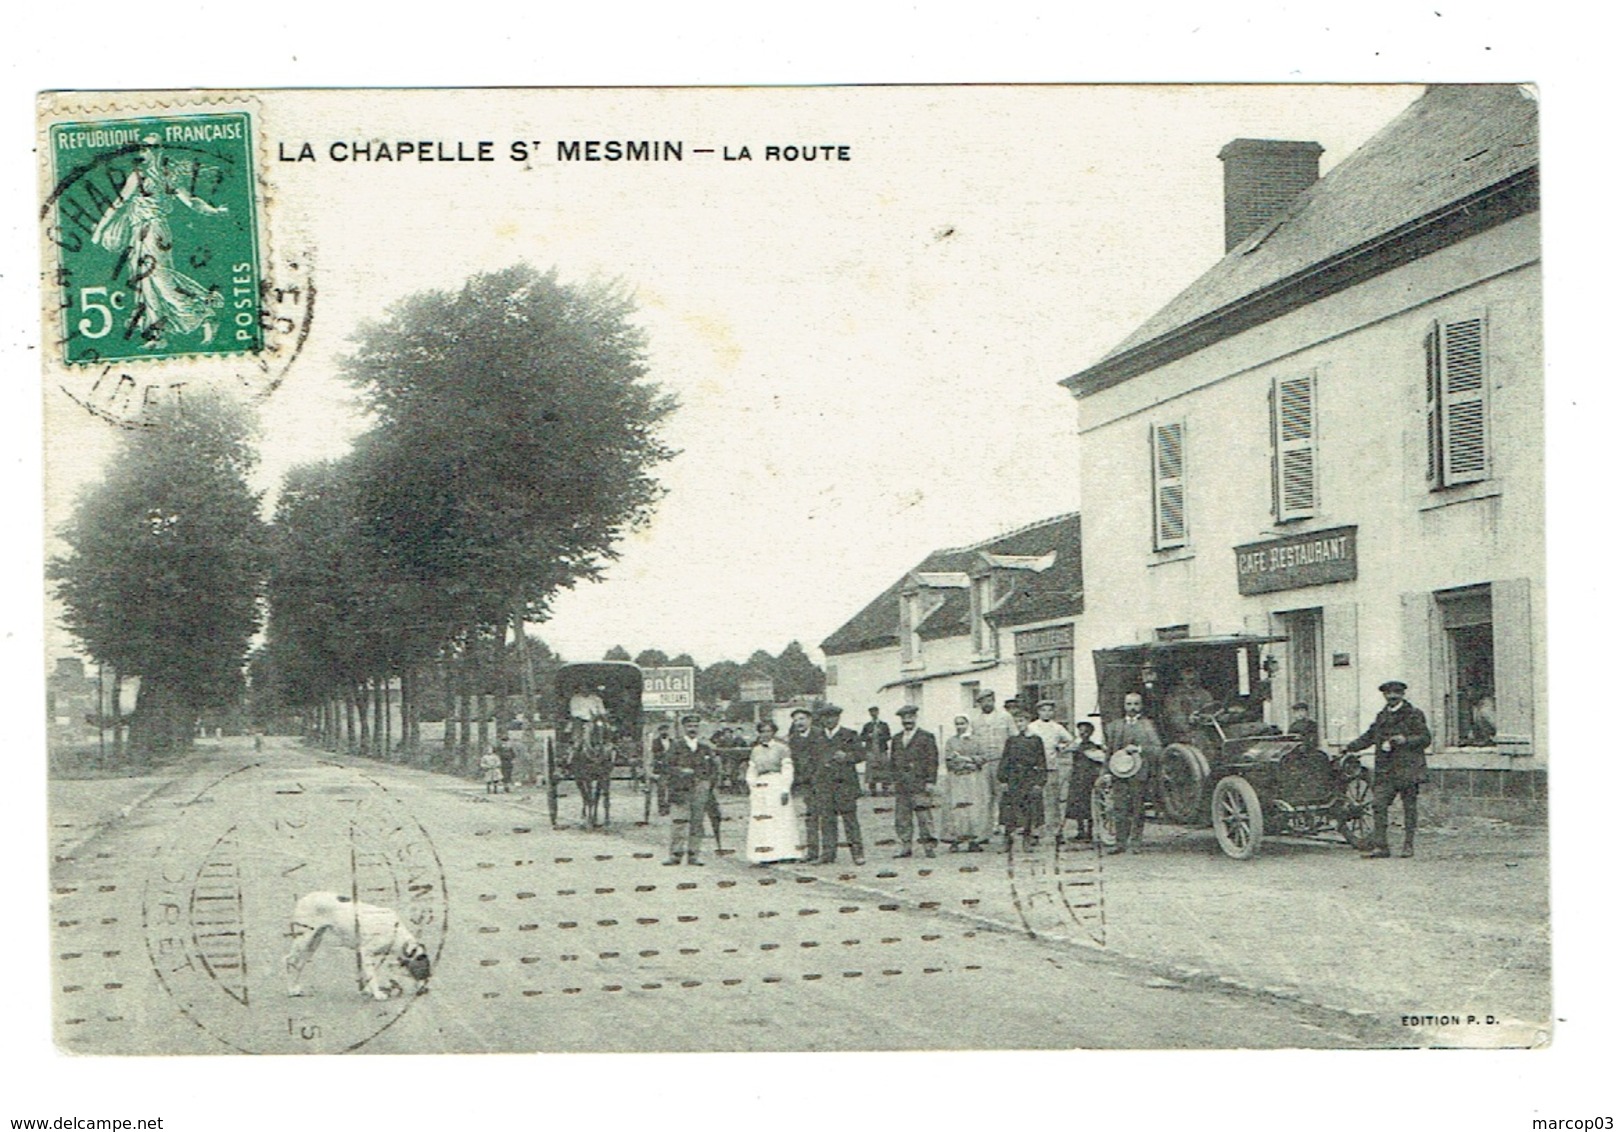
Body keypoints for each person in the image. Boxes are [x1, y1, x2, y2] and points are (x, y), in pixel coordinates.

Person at [1344, 680, 1431, 859]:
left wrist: (1405, 740)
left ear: (1402, 695)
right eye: (1388, 694)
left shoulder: (1414, 714)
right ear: (1384, 695)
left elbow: (1425, 738)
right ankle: (1381, 847)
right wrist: (1350, 747)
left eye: (1396, 693)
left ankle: (1408, 845)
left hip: (1408, 769)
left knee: (1409, 807)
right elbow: (1369, 736)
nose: (1391, 696)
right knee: (1378, 805)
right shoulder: (1381, 716)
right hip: (1386, 770)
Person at [1103, 692, 1162, 854]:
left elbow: (1158, 749)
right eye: (1129, 704)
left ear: (1141, 706)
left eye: (1136, 704)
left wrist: (1139, 749)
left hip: (1139, 773)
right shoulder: (1115, 726)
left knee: (1137, 809)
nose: (1132, 708)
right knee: (1119, 808)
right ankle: (1120, 843)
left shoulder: (1147, 725)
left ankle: (1135, 843)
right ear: (1124, 706)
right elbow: (1109, 752)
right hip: (1118, 773)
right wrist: (1106, 772)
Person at [807, 704, 865, 865]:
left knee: (850, 820)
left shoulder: (849, 734)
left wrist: (847, 756)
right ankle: (828, 854)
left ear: (838, 717)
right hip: (824, 786)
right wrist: (815, 780)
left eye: (832, 717)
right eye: (825, 717)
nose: (829, 720)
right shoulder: (817, 738)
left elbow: (861, 754)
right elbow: (811, 761)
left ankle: (857, 853)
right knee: (827, 820)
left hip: (845, 785)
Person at [663, 715, 720, 866]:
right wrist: (681, 771)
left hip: (700, 788)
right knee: (679, 822)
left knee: (697, 822)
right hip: (680, 789)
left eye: (695, 726)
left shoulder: (705, 747)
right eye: (689, 726)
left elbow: (714, 768)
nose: (693, 729)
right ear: (684, 728)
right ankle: (675, 855)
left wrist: (708, 785)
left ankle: (694, 855)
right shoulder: (676, 746)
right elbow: (666, 767)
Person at [746, 720, 800, 865]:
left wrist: (785, 789)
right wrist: (752, 787)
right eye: (762, 731)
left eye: (768, 731)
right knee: (763, 820)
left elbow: (787, 770)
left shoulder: (782, 748)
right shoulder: (755, 750)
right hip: (760, 785)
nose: (765, 734)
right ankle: (766, 855)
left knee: (781, 818)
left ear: (773, 732)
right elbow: (751, 771)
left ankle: (786, 852)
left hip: (777, 783)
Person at [888, 705, 939, 858]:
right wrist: (893, 780)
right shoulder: (896, 738)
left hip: (920, 783)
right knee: (902, 818)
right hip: (902, 784)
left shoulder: (926, 737)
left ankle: (928, 846)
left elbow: (932, 760)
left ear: (915, 718)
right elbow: (893, 761)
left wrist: (930, 781)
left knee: (924, 817)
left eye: (910, 718)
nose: (907, 721)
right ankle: (905, 846)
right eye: (904, 718)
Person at [997, 705, 1048, 851]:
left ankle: (1027, 839)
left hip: (1029, 777)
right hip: (1013, 777)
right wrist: (1003, 780)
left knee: (1029, 810)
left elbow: (1041, 762)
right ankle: (1008, 841)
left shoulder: (1036, 740)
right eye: (1017, 721)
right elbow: (1005, 760)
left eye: (1022, 721)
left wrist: (1039, 782)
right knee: (1009, 810)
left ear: (1028, 722)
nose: (1019, 724)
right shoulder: (1011, 740)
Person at [968, 690, 1016, 844]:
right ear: (979, 703)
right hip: (983, 763)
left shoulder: (1005, 717)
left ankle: (1005, 831)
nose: (986, 703)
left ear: (994, 700)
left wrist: (1010, 762)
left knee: (1004, 797)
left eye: (989, 700)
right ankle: (984, 833)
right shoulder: (975, 720)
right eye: (982, 701)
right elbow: (973, 742)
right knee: (984, 798)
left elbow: (1013, 739)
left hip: (1002, 762)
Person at [1026, 700, 1074, 844]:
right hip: (1035, 769)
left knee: (1052, 801)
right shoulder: (1032, 727)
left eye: (1049, 710)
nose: (1046, 713)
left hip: (1051, 768)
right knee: (1035, 800)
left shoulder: (1057, 727)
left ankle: (1056, 831)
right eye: (1043, 710)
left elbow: (1071, 741)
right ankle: (1036, 832)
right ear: (1038, 712)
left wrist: (1061, 747)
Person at [939, 716, 989, 852]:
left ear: (968, 724)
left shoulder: (977, 741)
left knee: (973, 809)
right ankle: (955, 840)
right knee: (957, 808)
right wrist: (963, 764)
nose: (960, 726)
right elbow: (949, 760)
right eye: (957, 724)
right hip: (957, 779)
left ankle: (974, 840)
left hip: (973, 779)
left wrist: (965, 758)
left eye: (962, 723)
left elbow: (983, 757)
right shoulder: (951, 741)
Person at [786, 707, 821, 862]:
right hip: (806, 783)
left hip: (823, 781)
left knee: (826, 817)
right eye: (795, 720)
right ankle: (813, 851)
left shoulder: (820, 735)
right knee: (810, 817)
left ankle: (828, 852)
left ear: (809, 720)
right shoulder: (793, 739)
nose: (798, 723)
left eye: (801, 719)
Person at [1065, 721, 1105, 844]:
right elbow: (1066, 750)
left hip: (1089, 778)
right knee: (1077, 804)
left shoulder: (1092, 746)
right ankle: (1080, 830)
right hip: (1077, 778)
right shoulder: (1076, 745)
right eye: (1081, 731)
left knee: (1089, 805)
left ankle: (1089, 832)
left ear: (1090, 733)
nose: (1083, 734)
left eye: (1086, 731)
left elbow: (1100, 758)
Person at [1164, 665, 1216, 744]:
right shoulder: (1174, 696)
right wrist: (1189, 719)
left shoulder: (1204, 694)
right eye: (1188, 678)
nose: (1191, 681)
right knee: (1200, 738)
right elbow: (1174, 717)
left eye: (1193, 678)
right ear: (1181, 680)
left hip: (1208, 729)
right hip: (1184, 734)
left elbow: (1211, 708)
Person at [859, 706, 893, 796]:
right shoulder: (867, 725)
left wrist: (881, 735)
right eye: (871, 712)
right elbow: (861, 737)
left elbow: (889, 736)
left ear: (878, 712)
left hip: (881, 750)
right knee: (871, 770)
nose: (873, 714)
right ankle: (873, 790)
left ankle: (885, 789)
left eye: (875, 712)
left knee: (884, 769)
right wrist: (868, 736)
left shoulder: (883, 725)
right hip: (871, 750)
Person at [647, 722, 674, 815]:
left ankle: (668, 807)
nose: (664, 732)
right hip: (660, 768)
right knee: (661, 789)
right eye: (662, 730)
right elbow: (655, 753)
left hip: (671, 768)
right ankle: (661, 808)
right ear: (659, 731)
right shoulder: (655, 742)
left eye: (666, 730)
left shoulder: (672, 741)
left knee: (671, 789)